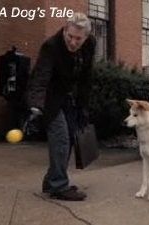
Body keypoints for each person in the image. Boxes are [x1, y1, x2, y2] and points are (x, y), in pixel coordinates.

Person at [26, 12, 96, 201]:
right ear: (65, 30)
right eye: (70, 36)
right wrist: (36, 107)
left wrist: (83, 107)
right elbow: (40, 77)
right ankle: (58, 186)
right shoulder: (51, 46)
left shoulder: (89, 45)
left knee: (70, 139)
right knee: (61, 139)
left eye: (78, 39)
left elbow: (86, 78)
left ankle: (51, 180)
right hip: (48, 97)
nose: (73, 42)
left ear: (86, 37)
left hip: (67, 96)